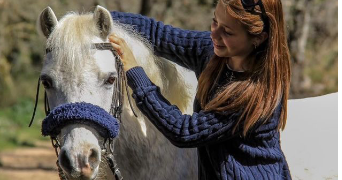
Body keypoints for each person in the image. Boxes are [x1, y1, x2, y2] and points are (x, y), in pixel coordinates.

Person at [109, 0, 292, 179]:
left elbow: (184, 131)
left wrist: (135, 72)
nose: (215, 34)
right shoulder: (212, 50)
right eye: (215, 21)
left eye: (227, 32)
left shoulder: (253, 94)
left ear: (258, 38)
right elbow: (158, 34)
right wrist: (101, 20)